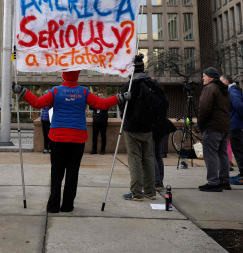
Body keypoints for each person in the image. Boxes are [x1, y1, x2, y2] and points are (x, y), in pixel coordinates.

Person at [13, 71, 126, 213]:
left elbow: (37, 103)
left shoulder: (55, 91)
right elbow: (101, 104)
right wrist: (120, 98)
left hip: (57, 137)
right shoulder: (84, 91)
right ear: (77, 76)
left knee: (56, 172)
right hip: (77, 138)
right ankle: (67, 206)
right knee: (72, 173)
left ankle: (53, 206)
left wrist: (23, 91)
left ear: (63, 76)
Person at [120, 55, 168, 201]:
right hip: (148, 127)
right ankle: (150, 191)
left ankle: (136, 193)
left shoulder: (128, 85)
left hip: (132, 128)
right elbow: (163, 102)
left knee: (134, 159)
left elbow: (122, 107)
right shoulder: (152, 84)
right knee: (148, 158)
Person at [198, 67, 231, 192]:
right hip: (224, 126)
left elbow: (204, 108)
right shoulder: (224, 89)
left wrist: (201, 124)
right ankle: (224, 180)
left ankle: (213, 182)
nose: (203, 78)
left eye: (204, 76)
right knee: (222, 153)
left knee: (210, 154)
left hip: (212, 126)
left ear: (210, 77)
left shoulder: (210, 88)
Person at [220, 75, 243, 185]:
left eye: (220, 81)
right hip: (236, 125)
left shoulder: (232, 93)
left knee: (238, 151)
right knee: (238, 150)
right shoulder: (233, 91)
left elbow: (241, 107)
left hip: (236, 126)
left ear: (226, 82)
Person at [152, 110, 176, 191]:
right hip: (161, 126)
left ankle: (157, 182)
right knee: (158, 156)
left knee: (152, 155)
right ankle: (159, 182)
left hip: (153, 126)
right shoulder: (163, 98)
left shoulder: (152, 98)